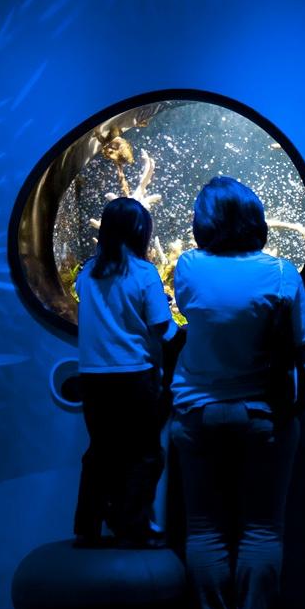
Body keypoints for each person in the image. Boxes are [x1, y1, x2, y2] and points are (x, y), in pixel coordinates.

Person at [169, 176, 305, 609]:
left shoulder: (189, 267)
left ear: (203, 221)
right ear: (255, 219)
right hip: (263, 414)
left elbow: (193, 313)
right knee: (260, 530)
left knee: (205, 530)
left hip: (195, 412)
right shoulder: (280, 274)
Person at [73, 197, 176, 548]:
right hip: (135, 375)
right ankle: (135, 527)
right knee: (144, 452)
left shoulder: (87, 272)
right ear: (141, 233)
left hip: (93, 376)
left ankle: (88, 525)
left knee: (100, 451)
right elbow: (162, 326)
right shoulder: (144, 273)